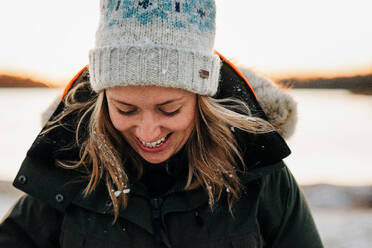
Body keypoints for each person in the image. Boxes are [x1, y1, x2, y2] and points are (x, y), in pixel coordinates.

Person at [0, 0, 323, 247]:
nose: (148, 131)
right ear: (103, 100)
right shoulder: (68, 167)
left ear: (202, 100)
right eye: (126, 110)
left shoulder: (259, 174)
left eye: (169, 110)